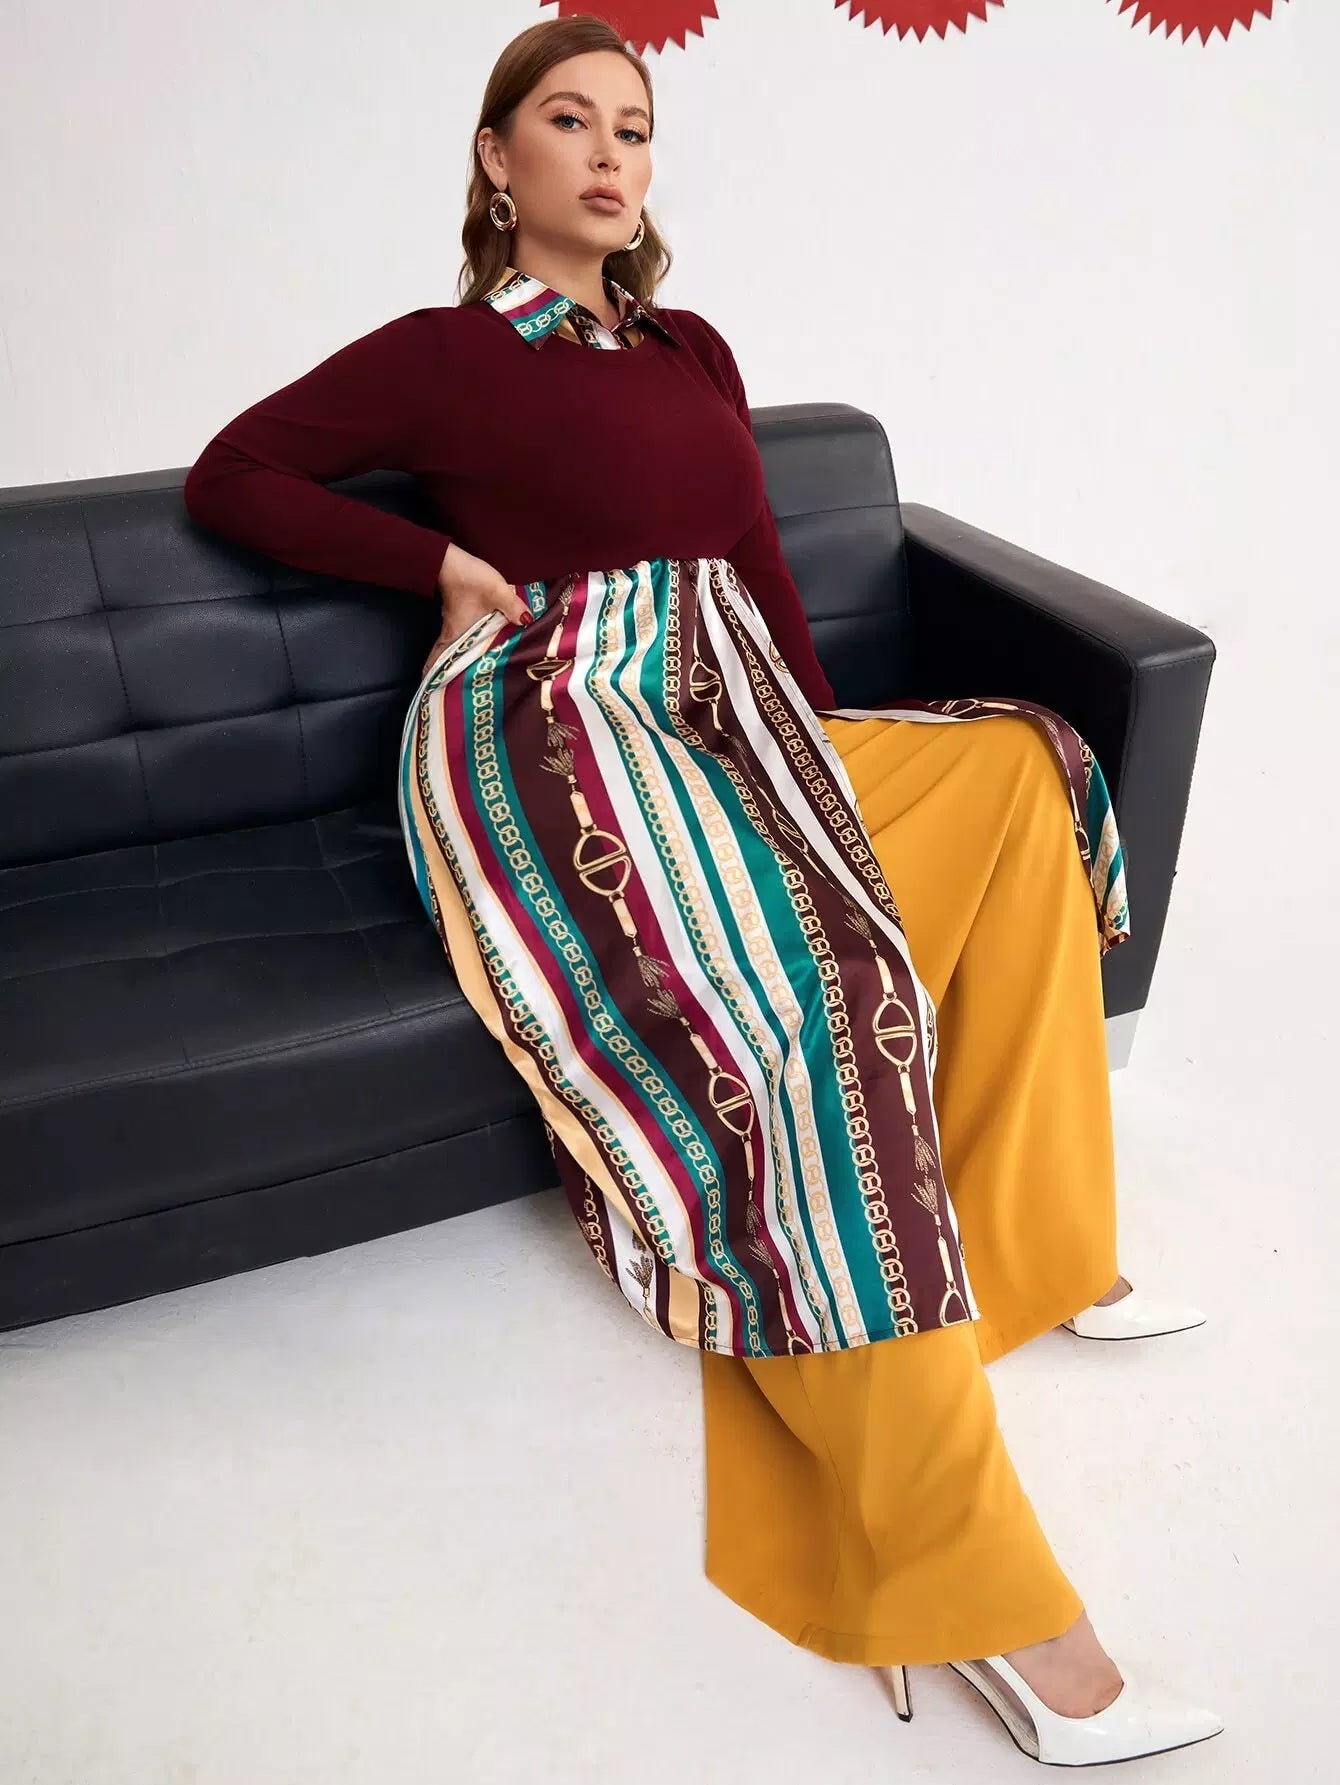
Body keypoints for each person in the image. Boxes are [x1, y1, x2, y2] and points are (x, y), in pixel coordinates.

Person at [182, 13, 1223, 1767]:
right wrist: (437, 561)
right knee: (816, 987)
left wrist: (819, 755)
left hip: (732, 711)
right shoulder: (444, 354)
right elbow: (237, 472)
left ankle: (1033, 1244)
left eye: (635, 126)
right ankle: (986, 1596)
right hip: (562, 723)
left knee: (1015, 764)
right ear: (498, 159)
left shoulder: (692, 349)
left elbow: (749, 565)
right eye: (568, 120)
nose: (610, 154)